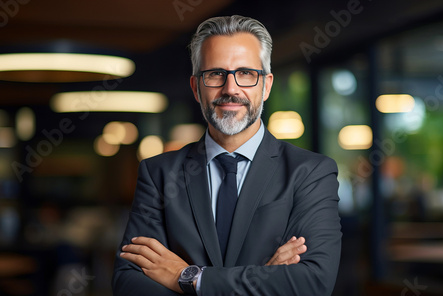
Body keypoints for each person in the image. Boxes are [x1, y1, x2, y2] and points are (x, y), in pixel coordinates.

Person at [112, 15, 342, 296]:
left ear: (266, 85)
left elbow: (311, 283)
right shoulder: (157, 173)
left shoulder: (310, 173)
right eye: (215, 74)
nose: (230, 89)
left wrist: (189, 278)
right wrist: (265, 277)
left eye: (246, 73)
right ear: (196, 88)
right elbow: (130, 284)